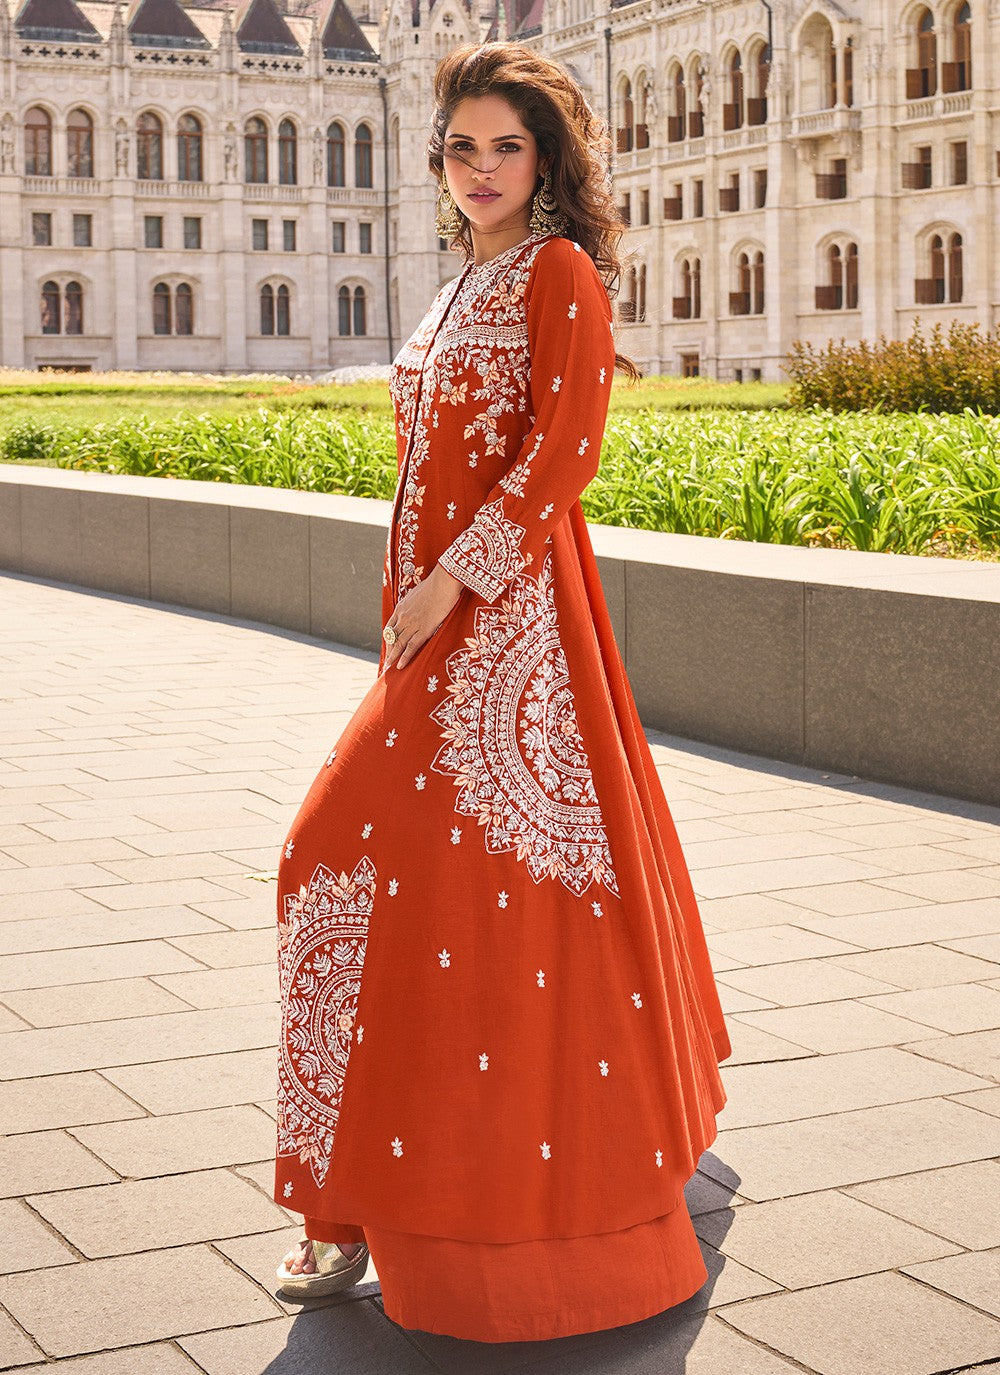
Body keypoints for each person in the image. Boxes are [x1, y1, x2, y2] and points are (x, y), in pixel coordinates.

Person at [273, 40, 731, 1344]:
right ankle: (349, 1202)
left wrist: (449, 590)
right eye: (462, 147)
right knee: (357, 877)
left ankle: (486, 1229)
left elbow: (564, 453)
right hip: (426, 637)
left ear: (548, 158)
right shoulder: (458, 279)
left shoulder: (558, 273)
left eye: (505, 147)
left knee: (465, 913)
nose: (480, 169)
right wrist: (410, 605)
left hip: (511, 644)